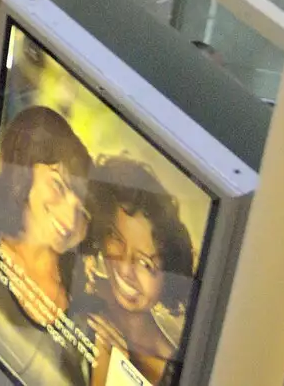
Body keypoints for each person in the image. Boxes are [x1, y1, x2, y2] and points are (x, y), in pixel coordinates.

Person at [0, 105, 94, 384]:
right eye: (58, 186)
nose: (69, 216)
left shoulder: (86, 298)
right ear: (24, 176)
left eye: (79, 203)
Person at [74, 157, 197, 386]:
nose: (124, 267)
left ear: (170, 274)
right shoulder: (75, 286)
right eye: (117, 240)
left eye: (144, 263)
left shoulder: (172, 372)